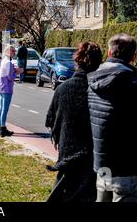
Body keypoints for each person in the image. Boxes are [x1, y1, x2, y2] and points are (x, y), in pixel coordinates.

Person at [88, 34, 137, 202]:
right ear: (134, 55)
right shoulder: (133, 84)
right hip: (128, 165)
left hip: (103, 163)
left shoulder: (92, 81)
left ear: (109, 53)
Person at [45, 42, 103, 202]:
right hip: (91, 155)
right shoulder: (99, 90)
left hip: (67, 152)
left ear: (77, 61)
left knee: (63, 194)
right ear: (98, 63)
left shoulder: (62, 89)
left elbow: (52, 119)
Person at [0, 45, 23, 137]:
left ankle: (0, 128)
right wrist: (17, 72)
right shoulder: (9, 63)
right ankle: (3, 128)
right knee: (4, 109)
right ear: (8, 51)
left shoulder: (4, 61)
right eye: (12, 51)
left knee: (1, 109)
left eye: (14, 51)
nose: (14, 53)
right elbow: (10, 77)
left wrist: (14, 70)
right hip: (7, 88)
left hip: (1, 87)